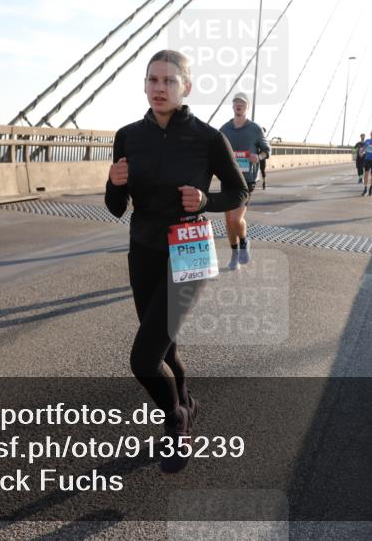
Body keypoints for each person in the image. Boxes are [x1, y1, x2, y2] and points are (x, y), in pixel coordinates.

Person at [105, 49, 248, 473]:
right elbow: (115, 207)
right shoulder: (128, 135)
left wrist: (206, 199)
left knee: (143, 359)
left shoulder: (207, 138)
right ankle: (186, 397)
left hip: (188, 247)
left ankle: (176, 420)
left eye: (169, 81)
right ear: (144, 85)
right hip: (144, 248)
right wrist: (112, 184)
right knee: (163, 345)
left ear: (186, 87)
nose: (159, 88)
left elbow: (239, 193)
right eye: (152, 80)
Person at [219, 93, 270, 270]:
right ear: (232, 106)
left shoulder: (255, 129)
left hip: (247, 180)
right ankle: (234, 255)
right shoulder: (224, 129)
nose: (238, 106)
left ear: (246, 107)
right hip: (228, 178)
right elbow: (216, 151)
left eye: (242, 103)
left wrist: (259, 156)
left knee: (236, 218)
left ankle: (244, 242)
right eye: (236, 103)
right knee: (228, 221)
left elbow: (267, 150)